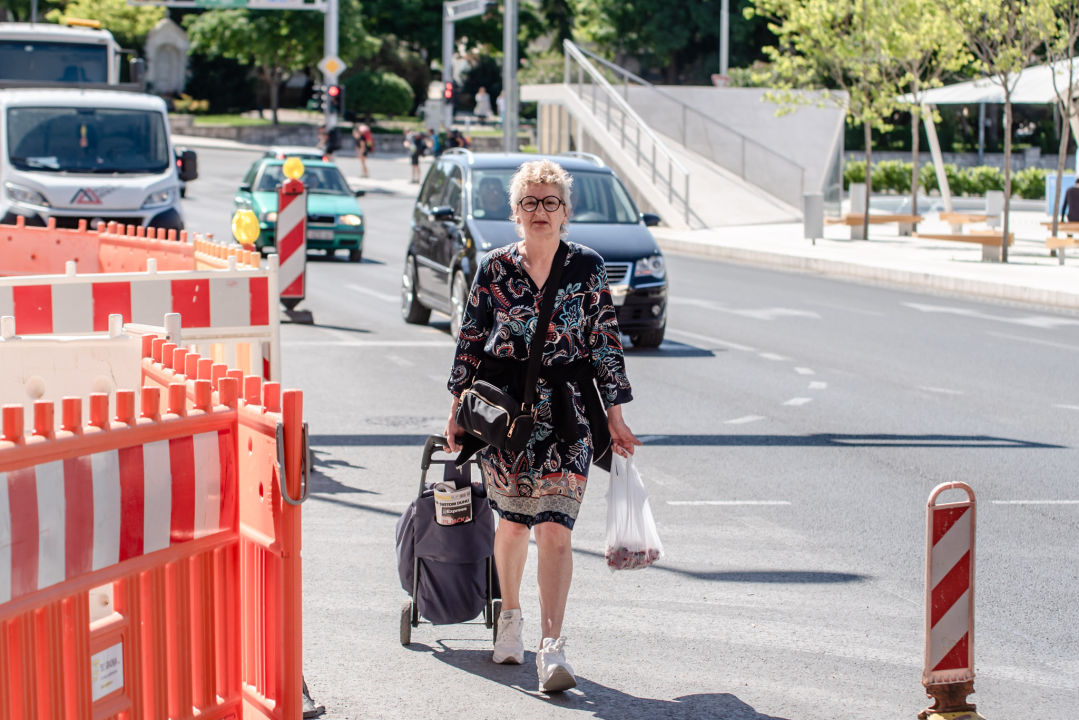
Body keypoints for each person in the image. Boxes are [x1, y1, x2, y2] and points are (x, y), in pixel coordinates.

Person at [443, 159, 640, 693]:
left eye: (550, 201)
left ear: (565, 211)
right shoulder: (494, 268)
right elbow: (469, 341)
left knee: (556, 529)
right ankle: (510, 618)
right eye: (529, 201)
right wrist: (455, 413)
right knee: (512, 523)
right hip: (506, 415)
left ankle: (552, 647)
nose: (540, 211)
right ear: (515, 211)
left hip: (571, 414)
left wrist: (616, 417)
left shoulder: (588, 268)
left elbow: (605, 344)